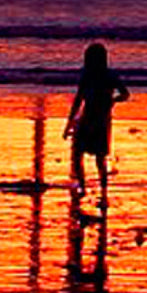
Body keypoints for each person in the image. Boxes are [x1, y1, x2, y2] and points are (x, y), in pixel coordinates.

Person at [63, 41, 130, 207]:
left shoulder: (88, 76)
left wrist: (69, 123)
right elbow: (125, 94)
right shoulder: (110, 76)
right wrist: (113, 100)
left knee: (78, 153)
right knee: (99, 158)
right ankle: (103, 190)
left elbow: (78, 100)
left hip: (89, 118)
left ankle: (83, 186)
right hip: (101, 119)